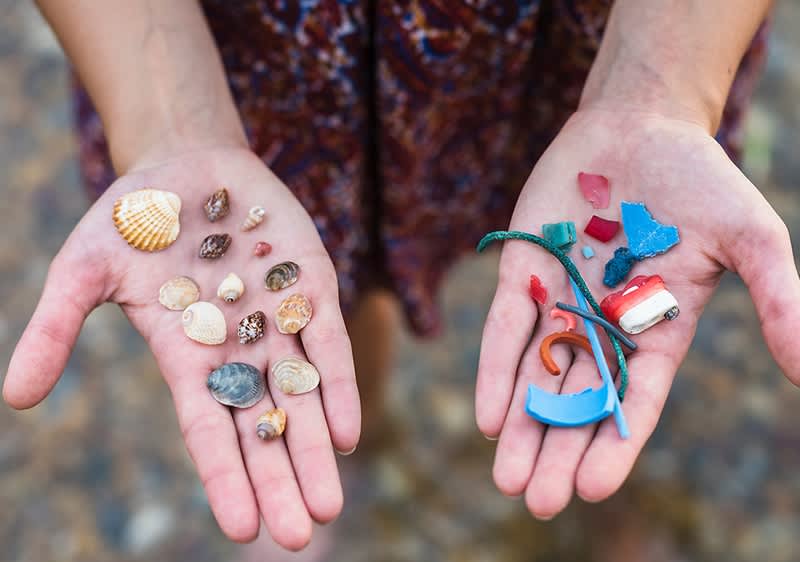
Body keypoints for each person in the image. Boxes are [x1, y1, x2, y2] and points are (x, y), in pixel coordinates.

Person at [5, 0, 799, 554]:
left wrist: (660, 87)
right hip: (262, 52)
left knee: (606, 336)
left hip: (575, 42)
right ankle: (354, 444)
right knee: (324, 281)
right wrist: (171, 121)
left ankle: (604, 484)